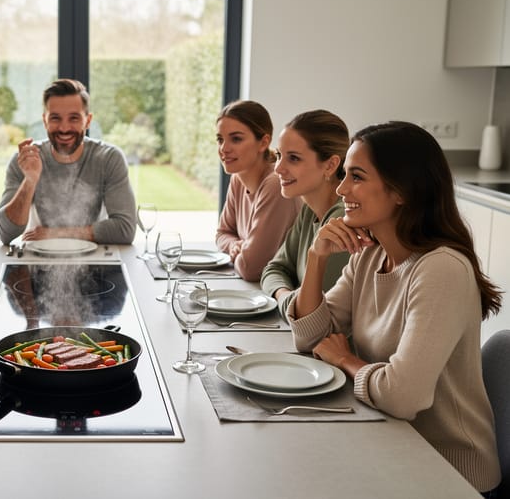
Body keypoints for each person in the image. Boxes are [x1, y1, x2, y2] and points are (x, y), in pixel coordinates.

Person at [288, 121, 502, 493]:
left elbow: (404, 397)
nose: (341, 189)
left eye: (356, 177)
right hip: (392, 443)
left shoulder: (440, 269)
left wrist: (345, 360)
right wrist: (316, 257)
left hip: (448, 472)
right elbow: (311, 339)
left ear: (401, 191)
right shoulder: (370, 257)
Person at [0, 78, 137, 245]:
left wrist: (56, 233)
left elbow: (125, 230)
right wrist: (30, 180)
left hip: (95, 259)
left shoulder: (109, 158)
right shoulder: (27, 159)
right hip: (38, 258)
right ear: (45, 120)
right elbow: (5, 233)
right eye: (55, 118)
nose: (64, 128)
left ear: (88, 120)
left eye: (74, 118)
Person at [261, 110, 351, 317]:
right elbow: (274, 269)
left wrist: (285, 300)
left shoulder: (342, 220)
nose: (278, 168)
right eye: (279, 155)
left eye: (293, 158)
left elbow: (307, 314)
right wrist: (286, 297)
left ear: (330, 165)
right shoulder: (309, 211)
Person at [215, 100, 301, 281]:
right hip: (255, 290)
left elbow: (251, 268)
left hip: (281, 295)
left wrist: (242, 252)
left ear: (263, 143)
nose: (224, 148)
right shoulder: (238, 178)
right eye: (220, 139)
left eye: (236, 139)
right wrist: (234, 246)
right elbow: (222, 233)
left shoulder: (276, 184)